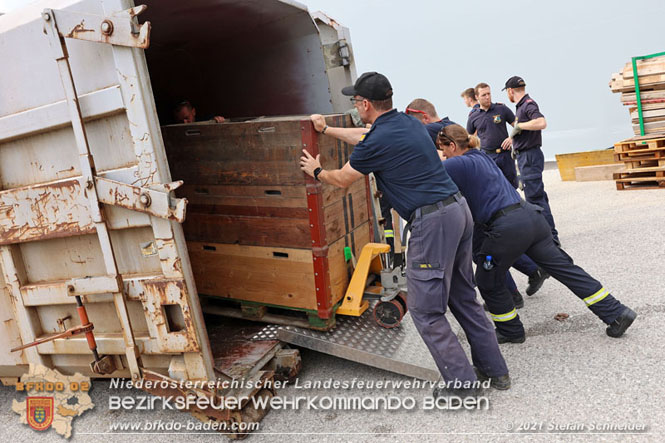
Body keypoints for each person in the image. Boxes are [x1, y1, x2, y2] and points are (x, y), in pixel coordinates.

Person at [300, 72, 510, 394]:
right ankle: (495, 372)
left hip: (432, 223)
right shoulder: (409, 124)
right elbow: (363, 136)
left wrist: (316, 170)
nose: (355, 106)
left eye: (355, 101)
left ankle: (463, 386)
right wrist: (326, 129)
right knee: (464, 298)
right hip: (458, 211)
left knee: (426, 311)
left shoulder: (378, 140)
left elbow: (342, 178)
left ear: (366, 103)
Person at [436, 124, 637, 344]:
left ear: (453, 145)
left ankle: (511, 331)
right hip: (531, 219)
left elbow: (427, 176)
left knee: (487, 280)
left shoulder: (456, 163)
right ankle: (617, 313)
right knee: (566, 270)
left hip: (507, 228)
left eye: (443, 149)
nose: (443, 154)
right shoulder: (481, 156)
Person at [502, 76, 559, 244]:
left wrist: (520, 126)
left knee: (534, 198)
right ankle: (550, 235)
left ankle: (550, 239)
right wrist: (515, 139)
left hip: (530, 156)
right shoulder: (521, 106)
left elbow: (541, 122)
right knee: (537, 195)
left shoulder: (528, 104)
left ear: (510, 91)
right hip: (526, 155)